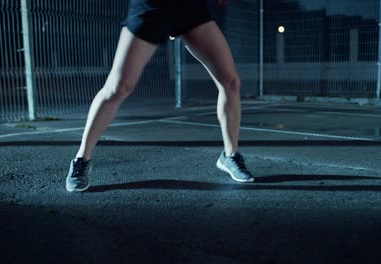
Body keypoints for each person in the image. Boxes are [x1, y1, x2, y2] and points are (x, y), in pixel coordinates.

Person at [66, 0, 254, 192]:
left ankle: (230, 155)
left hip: (190, 9)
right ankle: (81, 159)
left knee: (230, 82)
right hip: (152, 7)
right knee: (117, 88)